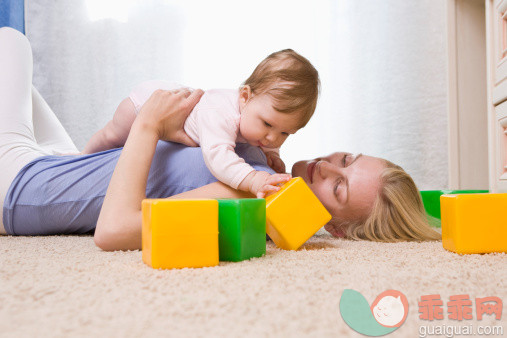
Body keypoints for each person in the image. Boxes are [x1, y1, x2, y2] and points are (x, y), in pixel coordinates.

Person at [0, 27, 441, 250]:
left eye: (338, 186)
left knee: (10, 42)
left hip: (17, 186)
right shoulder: (257, 164)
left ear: (336, 230)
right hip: (57, 162)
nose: (326, 165)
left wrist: (149, 124)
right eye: (346, 158)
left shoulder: (241, 194)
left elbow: (113, 232)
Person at [82, 49, 320, 198]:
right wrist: (252, 179)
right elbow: (218, 156)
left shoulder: (259, 122)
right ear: (245, 97)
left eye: (285, 133)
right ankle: (78, 156)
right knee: (111, 138)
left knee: (123, 157)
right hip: (144, 105)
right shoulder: (221, 114)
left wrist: (271, 154)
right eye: (267, 124)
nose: (272, 138)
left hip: (167, 123)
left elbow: (269, 142)